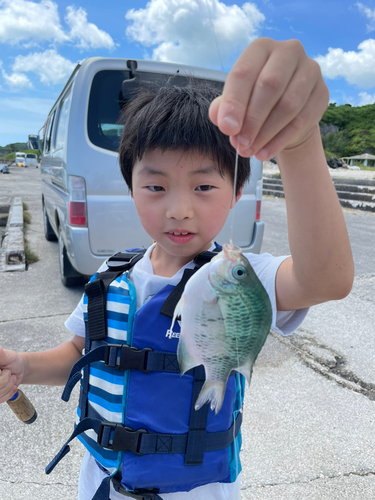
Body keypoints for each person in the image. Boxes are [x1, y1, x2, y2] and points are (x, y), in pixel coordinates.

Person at [0, 38, 354, 500]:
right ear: (131, 187)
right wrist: (23, 366)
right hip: (102, 484)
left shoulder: (241, 279)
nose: (180, 209)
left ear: (236, 190)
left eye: (204, 185)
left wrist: (300, 142)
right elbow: (79, 355)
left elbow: (326, 278)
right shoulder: (112, 275)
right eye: (156, 186)